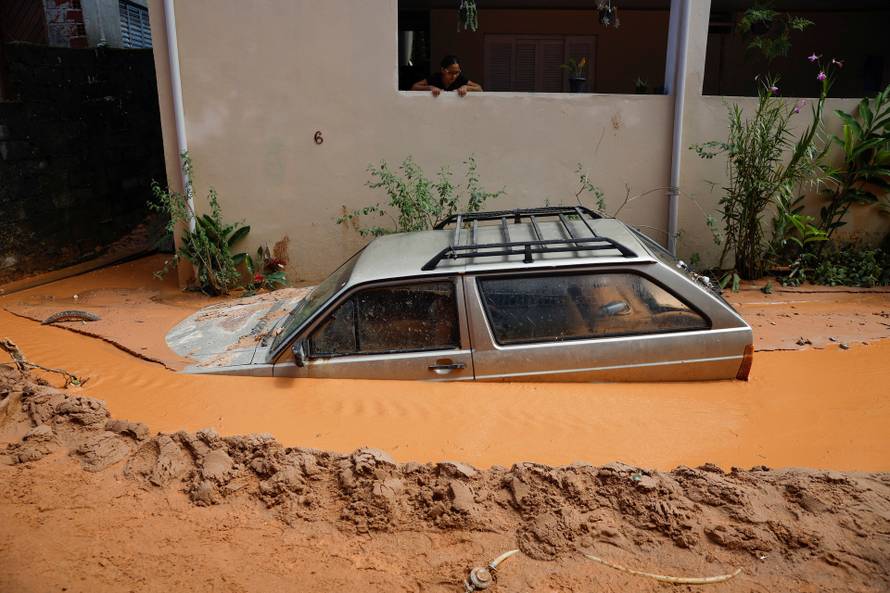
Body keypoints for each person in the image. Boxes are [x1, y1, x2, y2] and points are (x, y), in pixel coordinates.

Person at [411, 55, 483, 97]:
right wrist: (430, 87)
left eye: (457, 72)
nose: (454, 76)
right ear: (443, 70)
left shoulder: (460, 78)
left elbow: (479, 88)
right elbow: (414, 87)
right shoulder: (436, 78)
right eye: (450, 72)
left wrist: (466, 87)